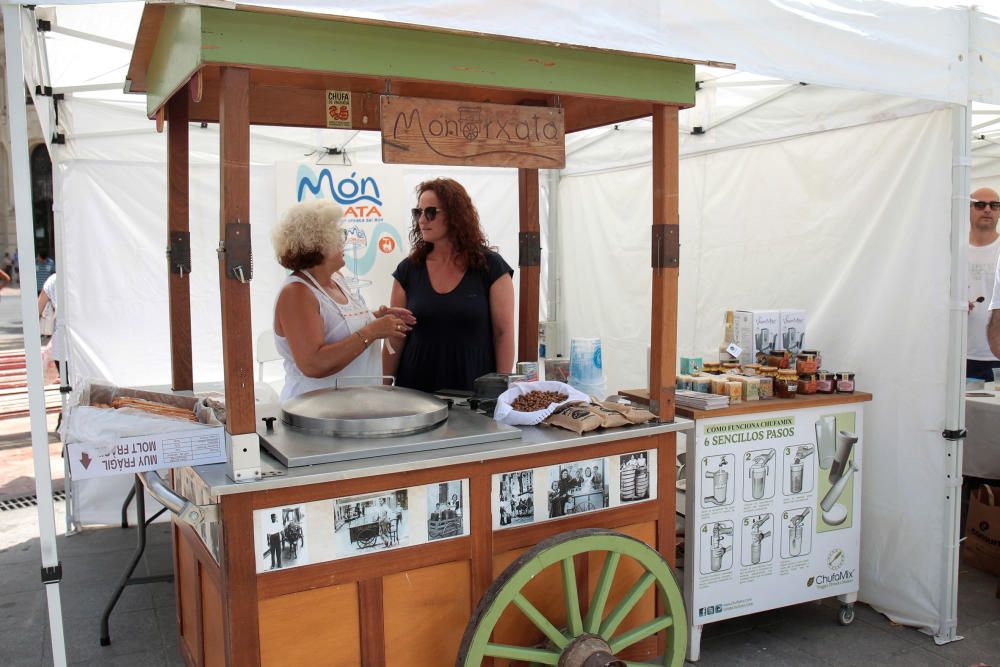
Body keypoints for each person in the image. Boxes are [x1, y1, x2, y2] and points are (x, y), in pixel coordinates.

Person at [271, 200, 414, 401]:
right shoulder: (296, 293)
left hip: (352, 409)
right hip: (317, 415)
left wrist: (376, 317)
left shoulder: (336, 280)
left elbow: (336, 327)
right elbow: (313, 363)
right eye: (339, 236)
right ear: (319, 244)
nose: (344, 242)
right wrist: (373, 331)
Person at [384, 178, 515, 393]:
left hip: (473, 391)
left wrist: (500, 390)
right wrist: (382, 389)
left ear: (456, 215)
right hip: (415, 391)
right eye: (418, 212)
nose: (422, 220)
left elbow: (503, 334)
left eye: (431, 212)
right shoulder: (408, 270)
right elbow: (396, 337)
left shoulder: (491, 267)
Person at [968, 188, 1000, 380]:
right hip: (959, 353)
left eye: (994, 205)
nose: (987, 209)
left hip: (995, 354)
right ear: (969, 208)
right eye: (980, 204)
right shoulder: (953, 248)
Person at [37, 273, 66, 379]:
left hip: (62, 342)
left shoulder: (54, 279)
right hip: (87, 341)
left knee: (67, 384)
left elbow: (37, 310)